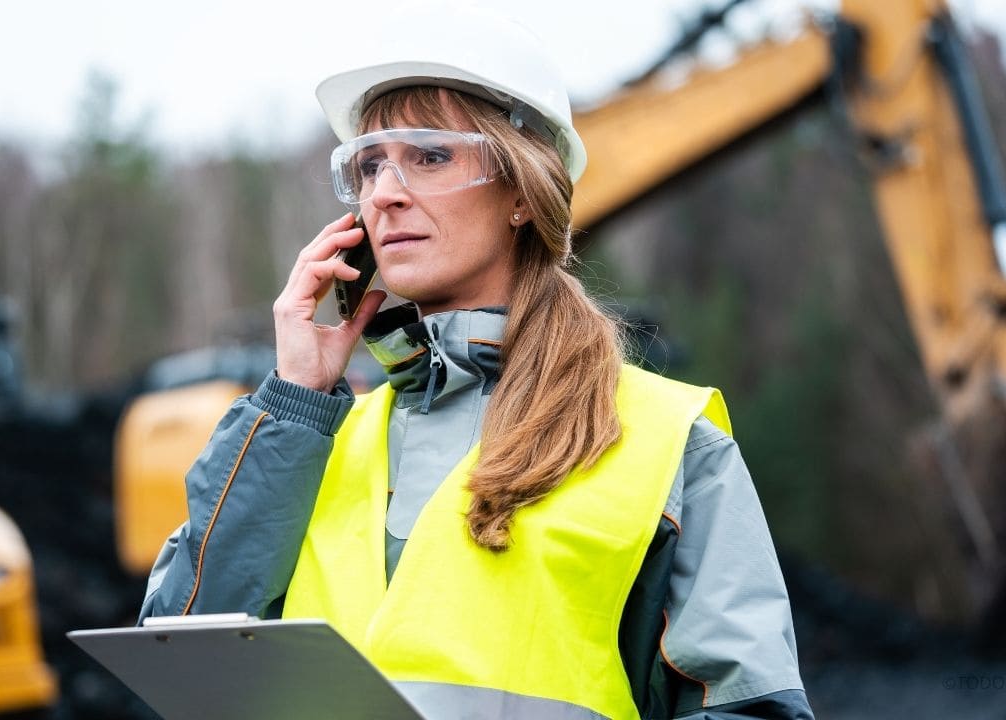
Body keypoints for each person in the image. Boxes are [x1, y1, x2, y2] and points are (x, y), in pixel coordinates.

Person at [141, 4, 814, 718]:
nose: (384, 192)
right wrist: (297, 396)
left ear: (522, 191)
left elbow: (749, 706)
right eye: (368, 165)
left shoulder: (668, 445)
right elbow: (181, 651)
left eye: (428, 156)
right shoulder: (308, 440)